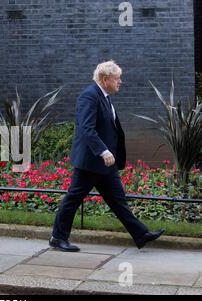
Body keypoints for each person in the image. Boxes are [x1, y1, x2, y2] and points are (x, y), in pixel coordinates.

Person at [50, 60, 165, 252]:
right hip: (91, 162)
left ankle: (141, 234)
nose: (120, 82)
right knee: (73, 199)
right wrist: (103, 151)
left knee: (117, 200)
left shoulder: (104, 96)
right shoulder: (89, 97)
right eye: (117, 78)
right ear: (104, 79)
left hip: (105, 163)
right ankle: (57, 238)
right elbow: (86, 129)